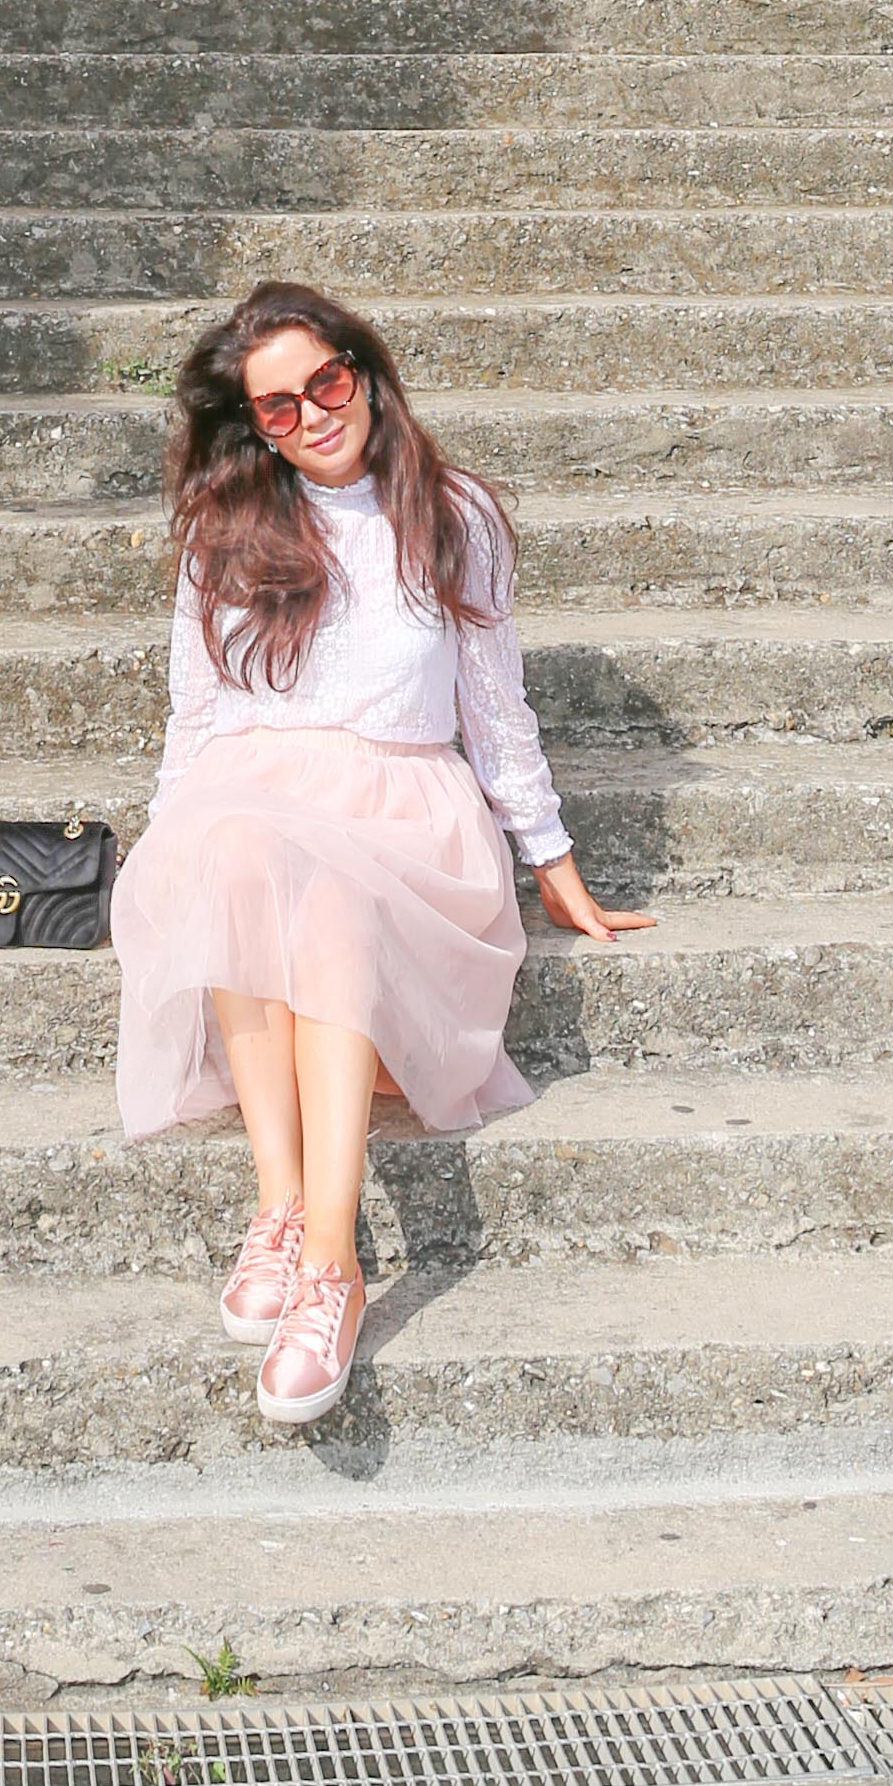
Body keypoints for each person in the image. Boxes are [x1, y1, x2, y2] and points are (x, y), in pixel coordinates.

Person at [111, 280, 649, 1430]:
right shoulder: (224, 529)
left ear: (363, 373)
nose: (312, 415)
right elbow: (195, 719)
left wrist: (551, 859)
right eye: (279, 406)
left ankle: (333, 1269)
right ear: (255, 428)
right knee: (234, 844)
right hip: (254, 801)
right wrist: (168, 862)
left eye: (326, 383)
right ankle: (284, 1210)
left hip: (405, 818)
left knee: (329, 896)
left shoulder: (453, 514)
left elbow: (495, 710)